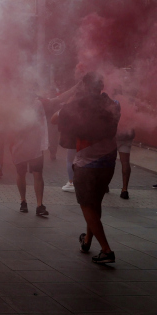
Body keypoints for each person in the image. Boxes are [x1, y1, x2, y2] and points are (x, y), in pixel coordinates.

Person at [57, 72, 120, 265]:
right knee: (96, 203)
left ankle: (106, 249)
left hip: (87, 162)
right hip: (109, 159)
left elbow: (57, 119)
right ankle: (87, 240)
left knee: (86, 205)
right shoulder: (114, 104)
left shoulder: (77, 106)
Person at [12, 90, 49, 217]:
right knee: (21, 173)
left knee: (37, 174)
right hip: (20, 145)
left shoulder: (37, 104)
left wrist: (43, 142)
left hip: (34, 145)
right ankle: (23, 201)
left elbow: (42, 122)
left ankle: (39, 205)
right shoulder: (14, 105)